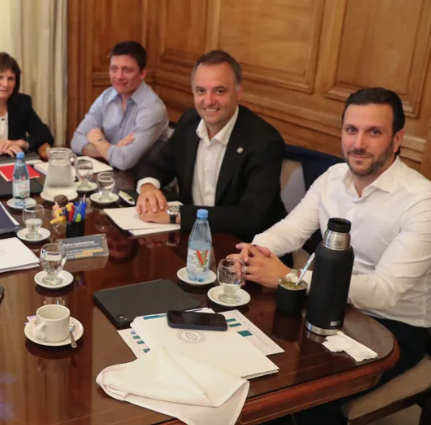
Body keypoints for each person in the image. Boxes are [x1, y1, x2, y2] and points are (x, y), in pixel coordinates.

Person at [232, 88, 431, 423]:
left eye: (374, 132)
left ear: (397, 139)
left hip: (394, 326)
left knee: (306, 393)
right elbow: (290, 230)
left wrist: (290, 277)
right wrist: (254, 249)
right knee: (257, 363)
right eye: (351, 130)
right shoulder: (333, 177)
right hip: (329, 307)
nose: (358, 143)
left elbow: (384, 291)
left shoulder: (421, 201)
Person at [135, 50, 287, 243]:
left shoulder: (264, 141)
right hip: (193, 240)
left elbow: (249, 217)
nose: (208, 101)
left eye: (219, 91)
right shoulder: (189, 122)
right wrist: (148, 188)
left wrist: (175, 214)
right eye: (201, 91)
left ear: (239, 92)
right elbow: (156, 165)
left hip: (247, 246)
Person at [70, 40, 167, 171]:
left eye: (127, 70)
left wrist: (99, 141)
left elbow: (124, 161)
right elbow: (76, 141)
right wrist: (112, 149)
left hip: (140, 179)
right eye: (114, 69)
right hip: (110, 173)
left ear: (142, 74)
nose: (119, 76)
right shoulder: (107, 96)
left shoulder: (153, 108)